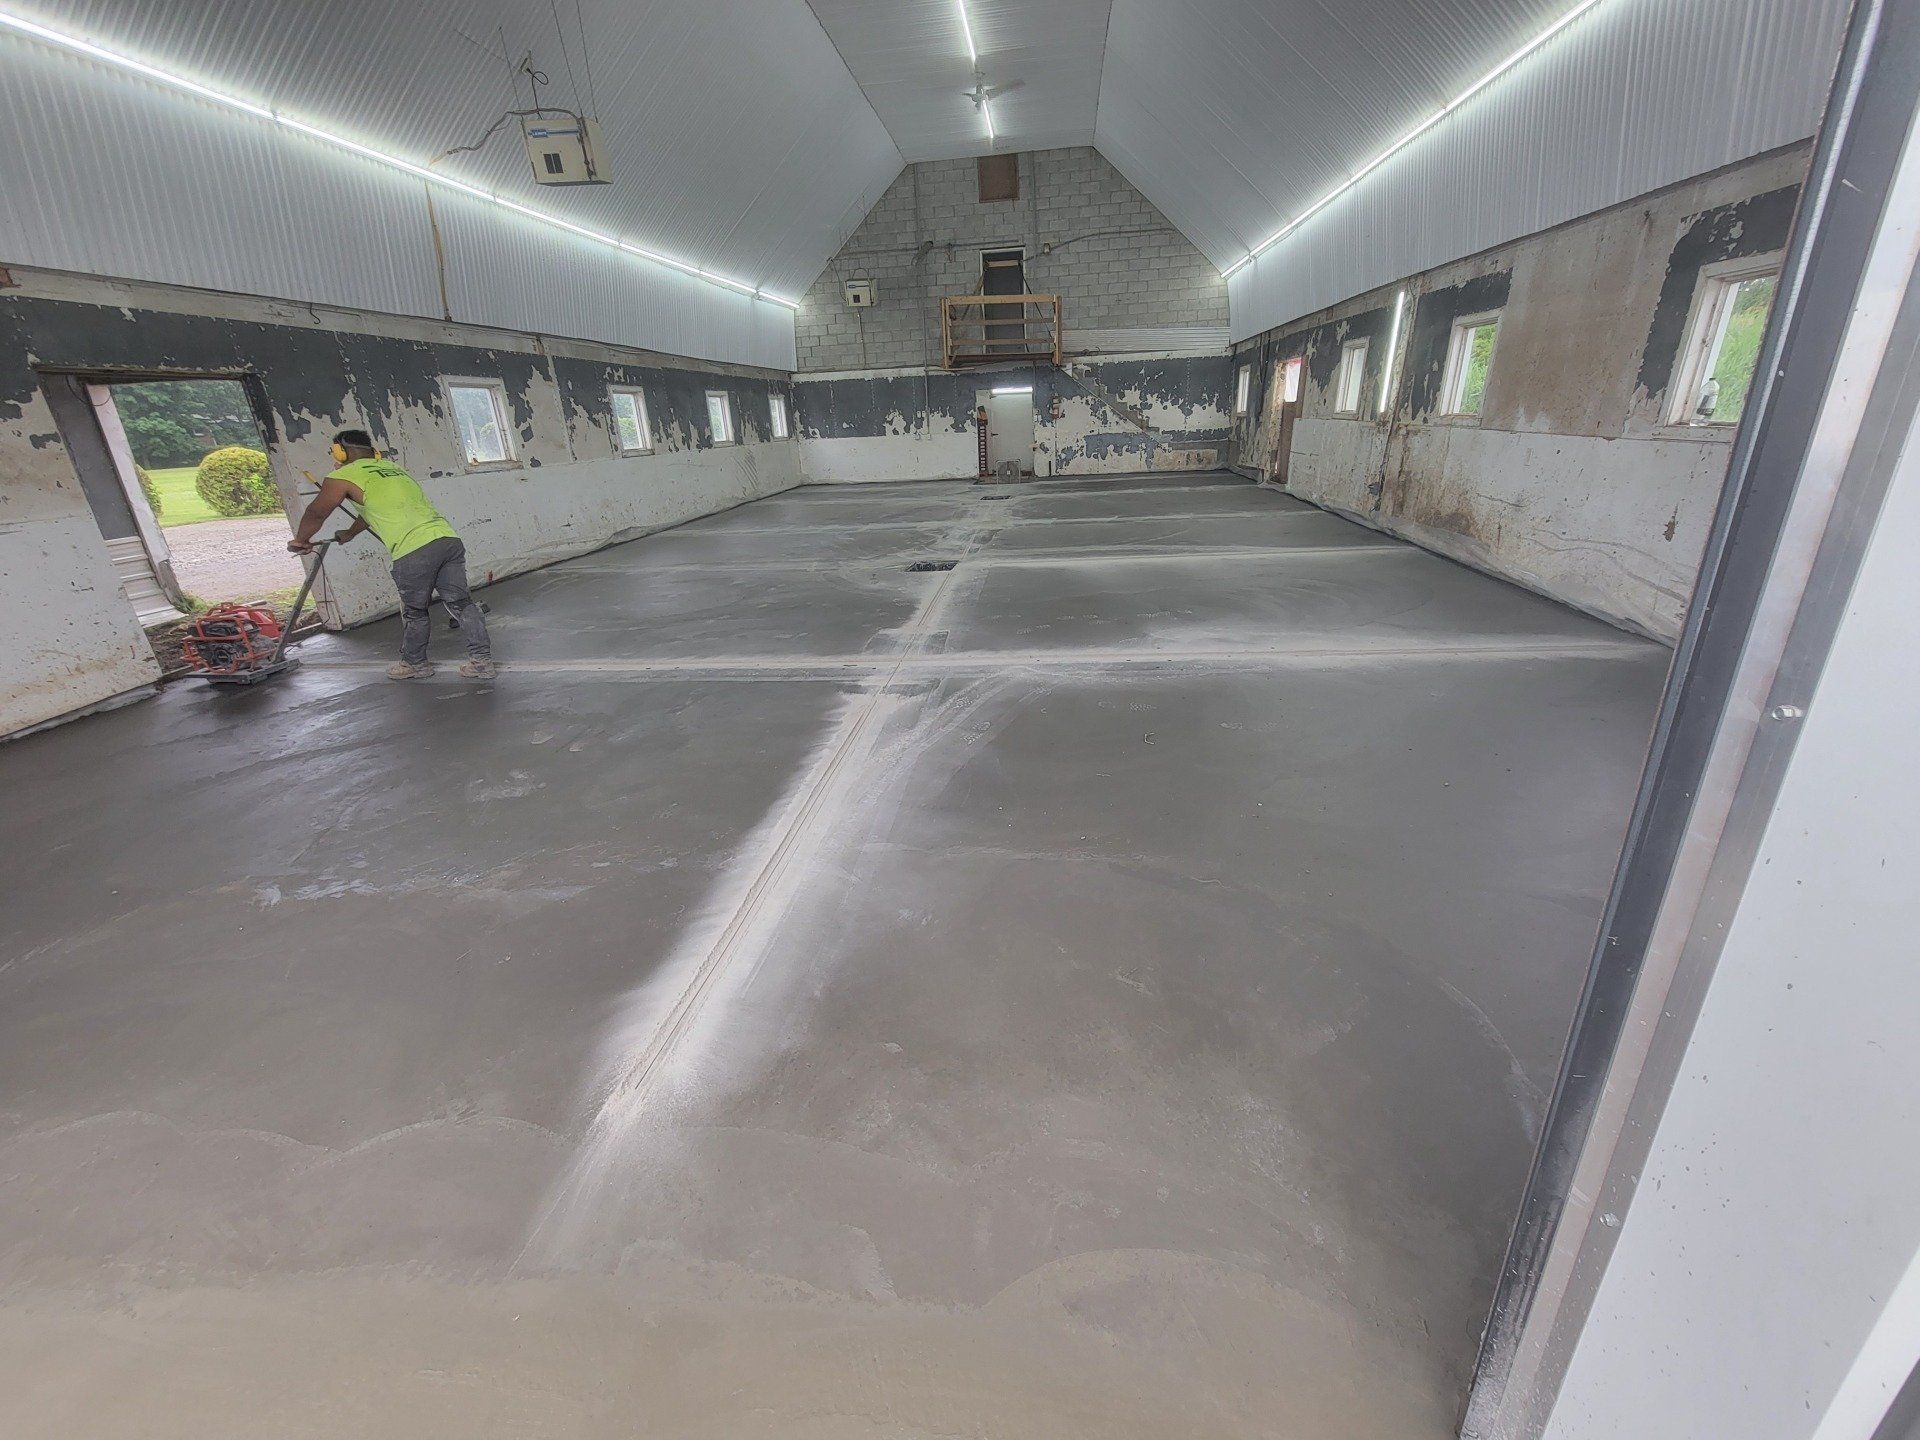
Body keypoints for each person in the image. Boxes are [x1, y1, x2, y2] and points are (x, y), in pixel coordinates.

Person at [289, 430, 496, 680]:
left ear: (339, 452)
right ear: (372, 451)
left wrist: (301, 540)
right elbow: (370, 511)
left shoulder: (342, 476)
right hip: (446, 540)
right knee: (462, 604)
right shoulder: (393, 469)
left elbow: (317, 512)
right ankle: (482, 662)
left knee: (415, 611)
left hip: (414, 550)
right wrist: (351, 533)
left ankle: (415, 664)